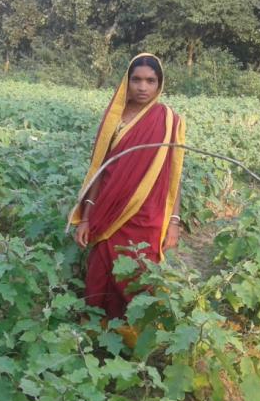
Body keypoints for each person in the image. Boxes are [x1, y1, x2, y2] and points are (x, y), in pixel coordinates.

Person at [68, 53, 186, 322]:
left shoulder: (168, 120)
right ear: (126, 82)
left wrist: (175, 222)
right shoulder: (114, 119)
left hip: (148, 217)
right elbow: (99, 170)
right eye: (136, 80)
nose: (142, 87)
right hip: (107, 212)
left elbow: (173, 175)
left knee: (139, 277)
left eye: (150, 81)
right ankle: (98, 337)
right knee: (101, 276)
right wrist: (86, 218)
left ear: (159, 84)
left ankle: (136, 337)